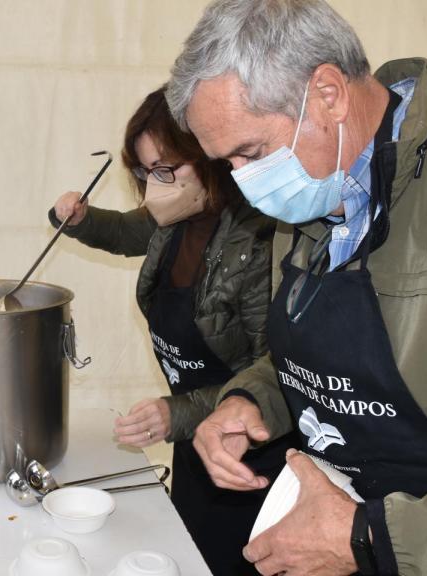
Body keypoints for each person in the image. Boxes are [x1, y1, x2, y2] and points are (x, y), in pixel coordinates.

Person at [166, 0, 427, 574]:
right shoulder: (316, 192)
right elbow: (322, 350)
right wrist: (251, 400)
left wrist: (372, 536)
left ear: (328, 94)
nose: (245, 185)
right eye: (229, 165)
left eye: (251, 152)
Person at [49, 87, 296, 575]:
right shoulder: (175, 216)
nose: (152, 187)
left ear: (209, 153)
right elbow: (125, 232)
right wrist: (77, 220)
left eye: (166, 170)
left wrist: (177, 413)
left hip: (253, 458)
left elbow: (278, 375)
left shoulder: (259, 241)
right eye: (144, 172)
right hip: (193, 443)